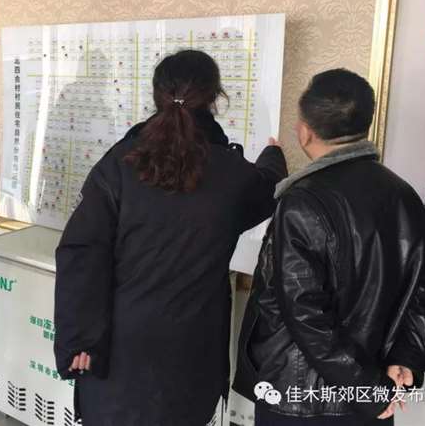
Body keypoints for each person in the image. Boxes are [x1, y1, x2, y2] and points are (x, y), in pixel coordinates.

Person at [53, 49, 288, 425]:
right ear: (214, 98)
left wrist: (79, 338)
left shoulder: (120, 163)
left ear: (156, 95)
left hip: (119, 347)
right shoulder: (232, 173)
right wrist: (274, 156)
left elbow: (81, 252)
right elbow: (267, 189)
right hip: (191, 350)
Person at [233, 69, 425, 426]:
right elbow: (421, 289)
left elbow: (304, 314)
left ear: (305, 131)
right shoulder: (404, 194)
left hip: (304, 399)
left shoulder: (303, 201)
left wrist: (367, 389)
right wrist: (406, 358)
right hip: (373, 392)